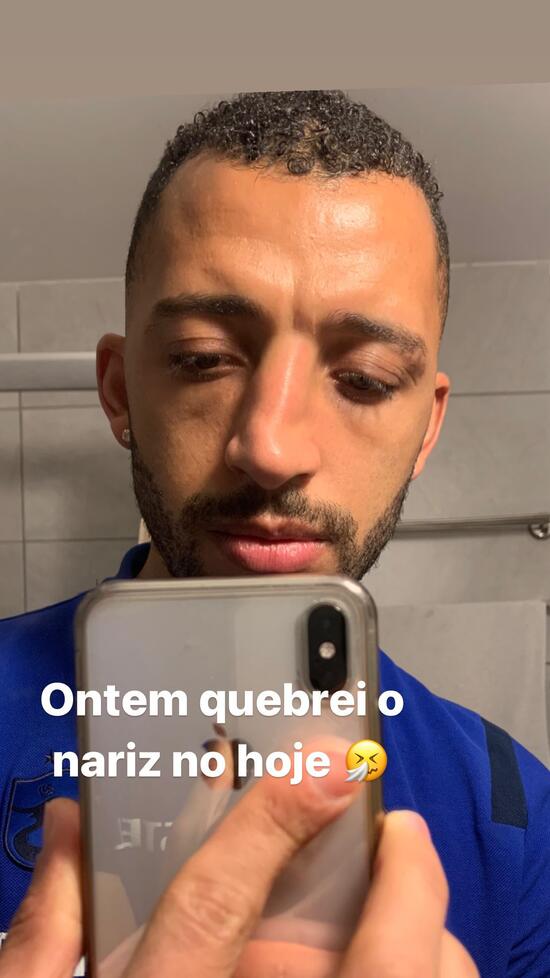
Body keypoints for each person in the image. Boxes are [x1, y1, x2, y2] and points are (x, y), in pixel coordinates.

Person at [0, 89, 548, 977]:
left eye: (366, 379)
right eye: (204, 360)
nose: (271, 448)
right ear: (120, 392)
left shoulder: (516, 818)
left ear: (426, 429)